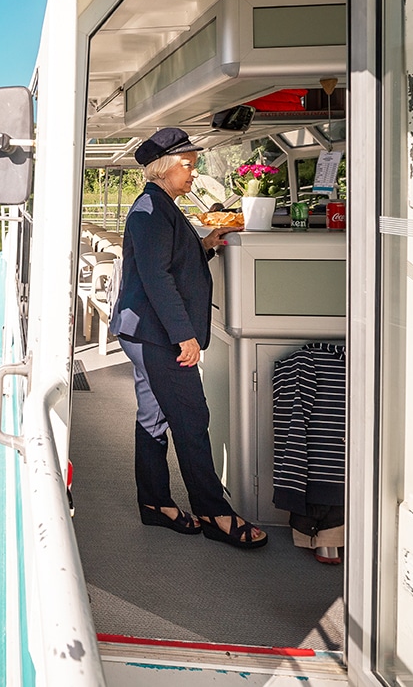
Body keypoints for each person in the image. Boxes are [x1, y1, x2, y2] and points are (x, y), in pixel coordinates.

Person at [108, 127, 268, 550]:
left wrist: (206, 245)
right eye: (189, 166)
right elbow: (157, 278)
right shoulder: (150, 210)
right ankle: (214, 512)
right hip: (157, 335)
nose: (193, 175)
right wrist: (185, 337)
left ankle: (155, 505)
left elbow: (170, 258)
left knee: (154, 419)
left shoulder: (159, 205)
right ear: (165, 168)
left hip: (145, 332)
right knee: (192, 418)